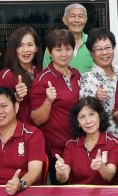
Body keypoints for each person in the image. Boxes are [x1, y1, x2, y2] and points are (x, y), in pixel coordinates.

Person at [31, 29, 83, 157]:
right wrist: (48, 101)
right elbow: (36, 119)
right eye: (58, 50)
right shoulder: (43, 79)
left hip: (79, 143)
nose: (64, 54)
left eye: (68, 49)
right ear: (50, 52)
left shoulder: (76, 73)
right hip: (58, 148)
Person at [55, 97, 118, 185]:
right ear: (78, 123)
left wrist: (101, 166)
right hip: (78, 195)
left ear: (100, 116)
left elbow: (109, 176)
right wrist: (61, 172)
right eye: (82, 117)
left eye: (92, 114)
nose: (88, 121)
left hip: (106, 195)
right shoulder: (71, 145)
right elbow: (63, 178)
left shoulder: (113, 143)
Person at [78, 28, 118, 136]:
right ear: (91, 53)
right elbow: (84, 111)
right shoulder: (88, 78)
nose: (104, 52)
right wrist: (95, 98)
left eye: (108, 48)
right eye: (98, 49)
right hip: (105, 138)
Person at [42, 3, 95, 73]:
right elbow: (46, 72)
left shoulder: (93, 42)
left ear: (86, 20)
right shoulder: (54, 43)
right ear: (65, 20)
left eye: (80, 16)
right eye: (73, 16)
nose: (77, 20)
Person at [5, 27, 42, 126]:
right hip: (19, 134)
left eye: (30, 45)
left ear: (36, 48)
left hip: (39, 131)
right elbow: (0, 109)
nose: (26, 50)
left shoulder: (40, 72)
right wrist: (16, 96)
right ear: (14, 49)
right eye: (20, 46)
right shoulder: (7, 76)